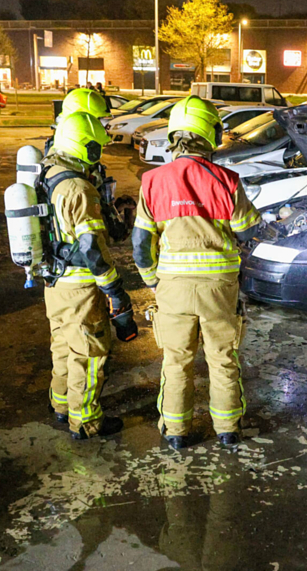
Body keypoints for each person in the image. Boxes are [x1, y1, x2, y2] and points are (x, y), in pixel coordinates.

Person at [131, 96, 260, 450]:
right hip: (219, 289)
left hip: (173, 289)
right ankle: (228, 429)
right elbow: (247, 230)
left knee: (176, 362)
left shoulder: (152, 181)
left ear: (174, 135)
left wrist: (151, 279)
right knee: (222, 359)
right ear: (211, 134)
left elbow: (141, 243)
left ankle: (176, 433)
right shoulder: (227, 180)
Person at [42, 111, 138, 440]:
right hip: (79, 286)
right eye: (97, 146)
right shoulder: (79, 188)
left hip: (54, 280)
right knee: (89, 353)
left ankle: (61, 405)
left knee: (63, 346)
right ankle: (85, 421)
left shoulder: (50, 173)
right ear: (85, 146)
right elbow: (91, 247)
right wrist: (115, 290)